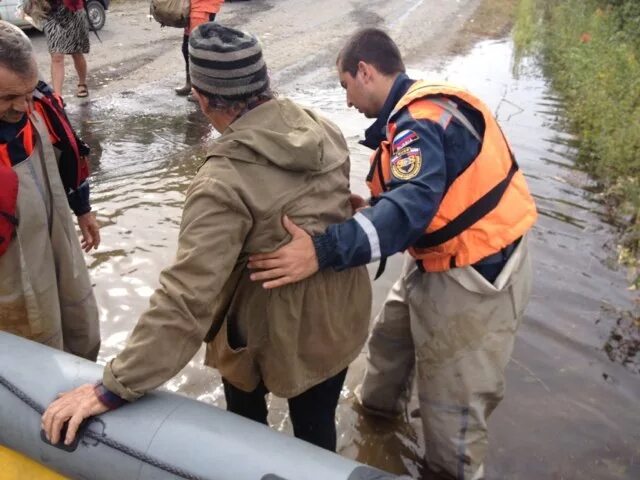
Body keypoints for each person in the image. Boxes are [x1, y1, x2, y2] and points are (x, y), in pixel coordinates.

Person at [42, 23, 372, 453]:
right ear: (264, 82)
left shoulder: (222, 182)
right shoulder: (321, 127)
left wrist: (113, 386)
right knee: (316, 437)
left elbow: (185, 300)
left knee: (243, 440)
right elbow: (337, 205)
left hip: (264, 335)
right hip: (338, 320)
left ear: (200, 96)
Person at [247, 28, 537, 479]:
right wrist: (376, 209)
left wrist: (322, 250)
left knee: (451, 420)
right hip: (432, 257)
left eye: (345, 86)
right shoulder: (417, 111)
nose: (346, 101)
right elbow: (415, 198)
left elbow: (409, 207)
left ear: (365, 71)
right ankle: (377, 437)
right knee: (384, 357)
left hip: (475, 272)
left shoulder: (418, 120)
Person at [0, 20, 100, 359]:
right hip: (10, 261)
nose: (22, 107)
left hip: (54, 231)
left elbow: (69, 150)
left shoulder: (39, 102)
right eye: (9, 98)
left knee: (78, 319)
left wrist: (83, 210)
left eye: (27, 93)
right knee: (30, 337)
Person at [175, 0, 224, 101]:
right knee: (187, 48)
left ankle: (201, 91)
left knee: (198, 49)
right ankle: (191, 84)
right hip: (194, 6)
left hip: (202, 7)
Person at [43, 0, 91, 98]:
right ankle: (58, 96)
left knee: (76, 53)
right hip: (51, 13)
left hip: (73, 11)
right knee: (57, 55)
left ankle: (82, 83)